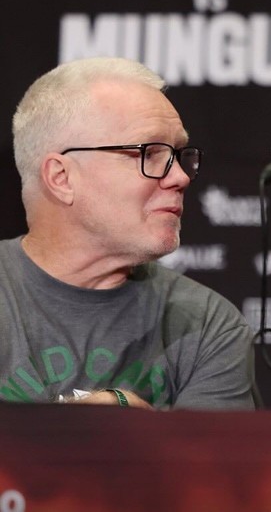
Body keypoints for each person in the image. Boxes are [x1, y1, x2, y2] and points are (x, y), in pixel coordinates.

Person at [0, 57, 255, 410]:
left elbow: (211, 466)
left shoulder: (207, 325)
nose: (180, 176)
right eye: (149, 153)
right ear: (61, 178)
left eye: (180, 155)